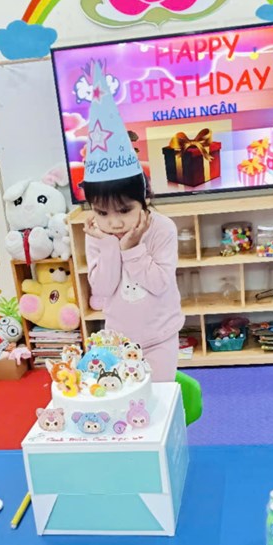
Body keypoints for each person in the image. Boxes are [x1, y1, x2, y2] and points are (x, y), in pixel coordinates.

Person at [81, 61, 183, 381]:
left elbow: (159, 283)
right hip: (118, 340)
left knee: (160, 397)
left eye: (124, 211)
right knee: (124, 400)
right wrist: (109, 245)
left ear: (145, 199)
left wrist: (133, 248)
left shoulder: (162, 228)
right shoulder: (98, 234)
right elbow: (102, 288)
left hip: (161, 338)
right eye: (102, 212)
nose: (114, 223)